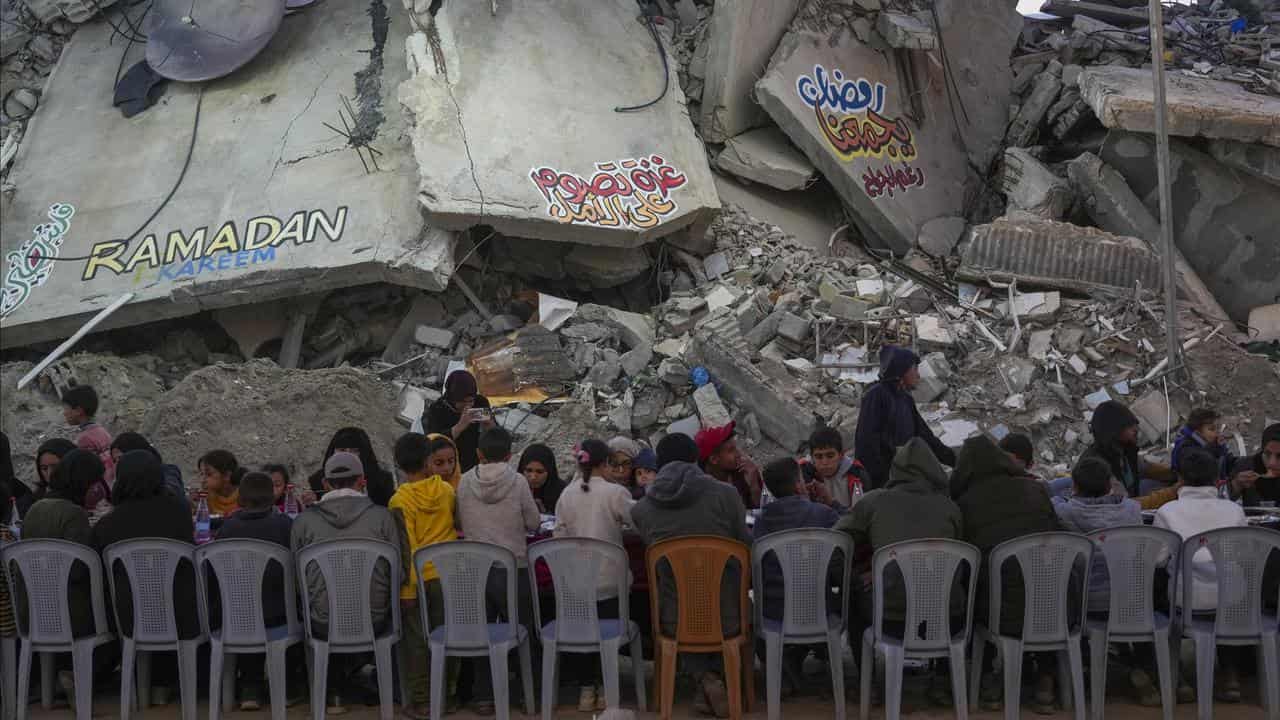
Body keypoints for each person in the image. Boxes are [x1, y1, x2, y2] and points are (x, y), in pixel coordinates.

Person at [630, 433, 751, 718]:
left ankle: (704, 680)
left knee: (678, 595)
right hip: (728, 614)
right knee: (737, 600)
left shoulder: (642, 510)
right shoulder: (727, 494)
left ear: (659, 464)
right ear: (696, 459)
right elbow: (745, 546)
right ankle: (718, 678)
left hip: (674, 616)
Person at [837, 438, 964, 706]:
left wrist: (873, 569)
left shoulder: (874, 502)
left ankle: (867, 683)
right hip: (946, 621)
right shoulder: (950, 507)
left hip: (891, 620)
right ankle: (941, 680)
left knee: (855, 596)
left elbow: (837, 540)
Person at [952, 435, 1064, 714]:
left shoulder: (965, 502)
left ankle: (990, 678)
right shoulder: (1036, 490)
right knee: (1038, 582)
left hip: (999, 614)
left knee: (979, 584)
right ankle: (1046, 680)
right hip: (1056, 607)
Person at [291, 451, 400, 712]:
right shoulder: (383, 517)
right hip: (374, 620)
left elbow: (296, 581)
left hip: (323, 622)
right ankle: (374, 679)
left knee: (322, 603)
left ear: (326, 484)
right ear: (362, 481)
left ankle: (334, 691)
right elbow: (398, 574)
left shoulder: (304, 521)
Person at [92, 450, 199, 706]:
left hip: (127, 618)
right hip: (180, 616)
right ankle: (163, 682)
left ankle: (137, 681)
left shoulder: (108, 525)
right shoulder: (179, 514)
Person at [1054, 457, 1160, 706]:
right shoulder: (1132, 510)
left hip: (1087, 605)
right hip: (1131, 602)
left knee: (1066, 607)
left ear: (1075, 487)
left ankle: (1086, 671)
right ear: (1110, 486)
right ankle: (1143, 668)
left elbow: (1054, 500)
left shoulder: (1065, 511)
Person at [1153, 447, 1249, 701]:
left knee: (1159, 582)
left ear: (1180, 480)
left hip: (1188, 603)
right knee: (1229, 587)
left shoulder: (1167, 511)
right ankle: (1230, 675)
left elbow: (1158, 560)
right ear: (1217, 481)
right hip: (1232, 601)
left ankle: (1178, 677)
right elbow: (1245, 556)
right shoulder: (1234, 510)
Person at [454, 427, 539, 714]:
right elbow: (533, 523)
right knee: (525, 631)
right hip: (512, 567)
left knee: (483, 635)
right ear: (509, 454)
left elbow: (460, 520)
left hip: (476, 569)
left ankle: (484, 697)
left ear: (478, 454)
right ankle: (531, 694)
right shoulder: (518, 482)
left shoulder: (464, 482)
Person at [552, 438, 637, 712]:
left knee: (585, 634)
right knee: (607, 633)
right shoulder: (616, 493)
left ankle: (587, 689)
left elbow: (559, 535)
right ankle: (607, 687)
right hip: (610, 583)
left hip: (577, 583)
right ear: (606, 464)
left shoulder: (567, 495)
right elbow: (637, 520)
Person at [16, 449, 106, 707]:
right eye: (94, 483)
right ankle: (75, 676)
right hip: (69, 618)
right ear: (83, 482)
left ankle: (59, 678)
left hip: (32, 613)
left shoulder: (35, 508)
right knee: (118, 617)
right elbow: (79, 570)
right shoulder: (73, 514)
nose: (97, 489)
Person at [212, 471, 299, 710]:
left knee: (247, 606)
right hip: (279, 620)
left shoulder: (226, 529)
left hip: (235, 620)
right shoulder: (285, 525)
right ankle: (288, 688)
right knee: (283, 606)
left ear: (240, 499)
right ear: (272, 497)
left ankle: (250, 688)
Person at [755, 457, 841, 697]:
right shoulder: (823, 514)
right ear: (798, 486)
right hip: (819, 609)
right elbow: (850, 527)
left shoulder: (763, 520)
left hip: (776, 612)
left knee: (751, 609)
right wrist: (829, 501)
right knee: (850, 594)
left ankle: (780, 670)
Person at [389, 433, 459, 720]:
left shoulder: (399, 500)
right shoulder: (446, 491)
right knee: (446, 636)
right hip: (447, 574)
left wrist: (407, 591)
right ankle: (448, 696)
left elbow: (408, 548)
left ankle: (421, 701)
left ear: (400, 465)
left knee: (417, 643)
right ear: (429, 461)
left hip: (418, 579)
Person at [853, 346, 956, 490]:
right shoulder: (876, 396)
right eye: (915, 369)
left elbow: (925, 436)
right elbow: (867, 444)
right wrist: (883, 483)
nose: (918, 375)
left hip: (903, 476)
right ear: (901, 371)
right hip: (884, 483)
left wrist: (955, 460)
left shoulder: (905, 399)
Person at [1079, 400, 1173, 499]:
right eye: (1129, 425)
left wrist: (1177, 474)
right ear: (1113, 431)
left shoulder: (1124, 450)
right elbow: (1124, 506)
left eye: (1135, 423)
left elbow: (1144, 468)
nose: (1136, 429)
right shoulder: (1097, 467)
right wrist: (1173, 491)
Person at [424, 369, 493, 475]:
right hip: (447, 467)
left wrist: (489, 424)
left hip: (475, 464)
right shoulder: (437, 410)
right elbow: (434, 443)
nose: (469, 405)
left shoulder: (480, 402)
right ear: (453, 398)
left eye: (471, 401)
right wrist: (460, 425)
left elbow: (494, 435)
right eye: (464, 402)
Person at [307, 427, 395, 507]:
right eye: (342, 450)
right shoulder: (317, 480)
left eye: (354, 451)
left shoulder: (382, 481)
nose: (347, 455)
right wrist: (312, 504)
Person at [110, 432, 187, 509]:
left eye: (120, 458)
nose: (117, 465)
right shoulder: (124, 486)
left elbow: (171, 493)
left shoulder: (168, 472)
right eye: (114, 461)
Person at [696, 422, 762, 509]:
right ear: (714, 460)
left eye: (736, 448)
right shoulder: (701, 490)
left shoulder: (743, 472)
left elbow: (759, 510)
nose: (739, 454)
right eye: (731, 450)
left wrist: (754, 485)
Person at [799, 427, 868, 509]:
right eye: (818, 456)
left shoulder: (856, 475)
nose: (824, 462)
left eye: (830, 456)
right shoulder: (802, 471)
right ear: (812, 457)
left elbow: (859, 514)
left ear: (841, 455)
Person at [1223, 423, 1280, 505]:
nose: (1271, 463)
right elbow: (1220, 503)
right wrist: (1236, 485)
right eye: (1267, 454)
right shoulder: (1247, 466)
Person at [1171, 408, 1235, 481]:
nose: (1217, 433)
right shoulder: (1187, 452)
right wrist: (1216, 449)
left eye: (1218, 428)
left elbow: (1227, 462)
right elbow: (1207, 472)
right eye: (1212, 429)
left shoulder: (1209, 444)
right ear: (1197, 433)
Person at [25, 437, 76, 514]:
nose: (50, 473)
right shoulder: (34, 502)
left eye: (55, 467)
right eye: (44, 468)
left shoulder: (88, 496)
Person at [519, 443, 566, 514]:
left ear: (549, 471)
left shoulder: (563, 494)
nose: (533, 477)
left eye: (539, 472)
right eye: (529, 470)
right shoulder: (514, 489)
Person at [198, 450, 244, 516]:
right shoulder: (205, 498)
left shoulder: (245, 499)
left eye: (209, 474)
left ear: (226, 475)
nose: (202, 480)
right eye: (202, 474)